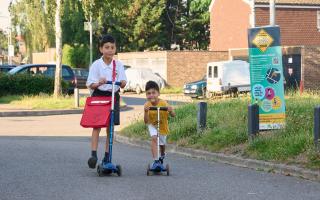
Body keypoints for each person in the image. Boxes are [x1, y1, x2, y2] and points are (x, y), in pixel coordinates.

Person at [86, 35, 127, 169]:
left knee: (110, 127)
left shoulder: (118, 64)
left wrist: (122, 83)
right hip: (99, 94)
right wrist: (98, 83)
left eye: (112, 47)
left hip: (113, 95)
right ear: (101, 49)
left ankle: (107, 156)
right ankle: (93, 154)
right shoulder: (97, 65)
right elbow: (90, 84)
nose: (110, 50)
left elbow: (123, 81)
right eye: (107, 47)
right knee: (97, 126)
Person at [144, 81, 176, 168]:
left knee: (162, 144)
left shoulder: (164, 103)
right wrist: (146, 112)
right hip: (152, 125)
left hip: (162, 126)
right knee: (154, 139)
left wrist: (170, 110)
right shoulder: (147, 105)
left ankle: (162, 154)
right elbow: (146, 121)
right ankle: (156, 160)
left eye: (153, 93)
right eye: (148, 93)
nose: (151, 95)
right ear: (146, 95)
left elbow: (173, 115)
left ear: (158, 93)